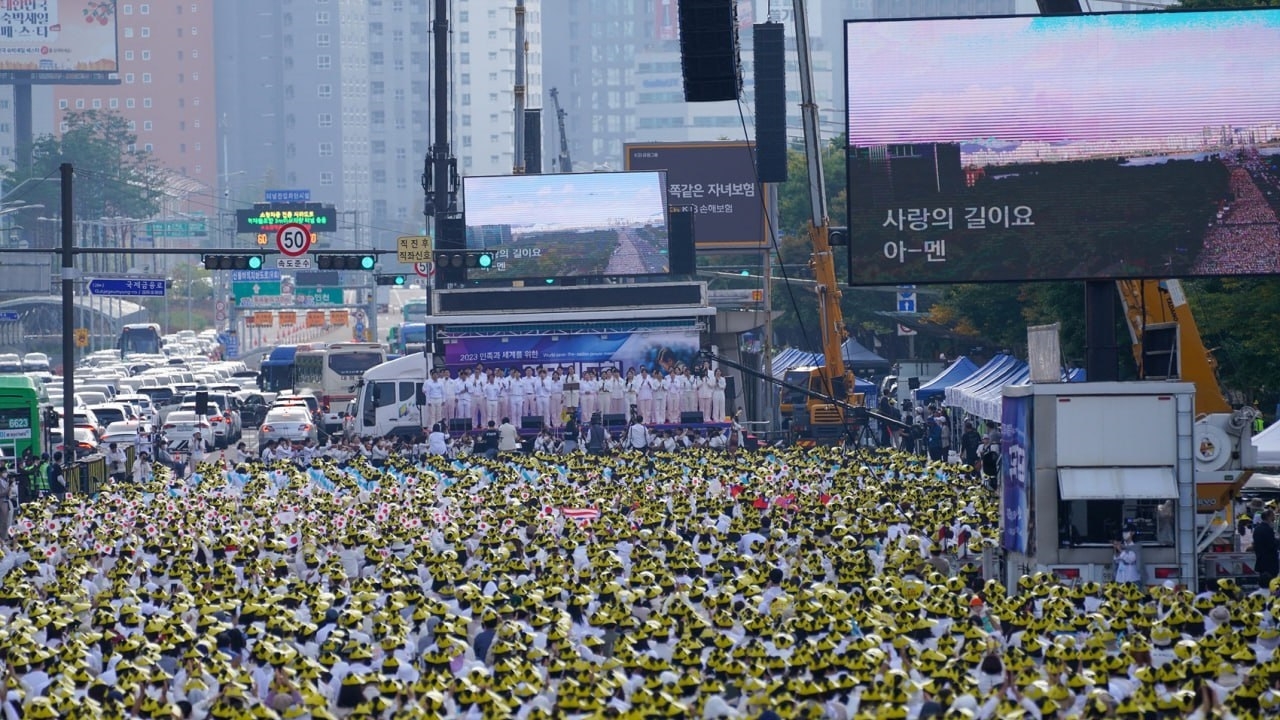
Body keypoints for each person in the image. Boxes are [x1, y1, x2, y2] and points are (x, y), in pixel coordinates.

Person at [1255, 509, 1279, 588]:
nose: (1273, 519)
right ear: (1268, 517)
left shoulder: (1257, 529)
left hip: (1260, 560)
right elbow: (1271, 544)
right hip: (1270, 562)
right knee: (1271, 583)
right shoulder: (1268, 529)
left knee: (1263, 582)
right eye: (1272, 516)